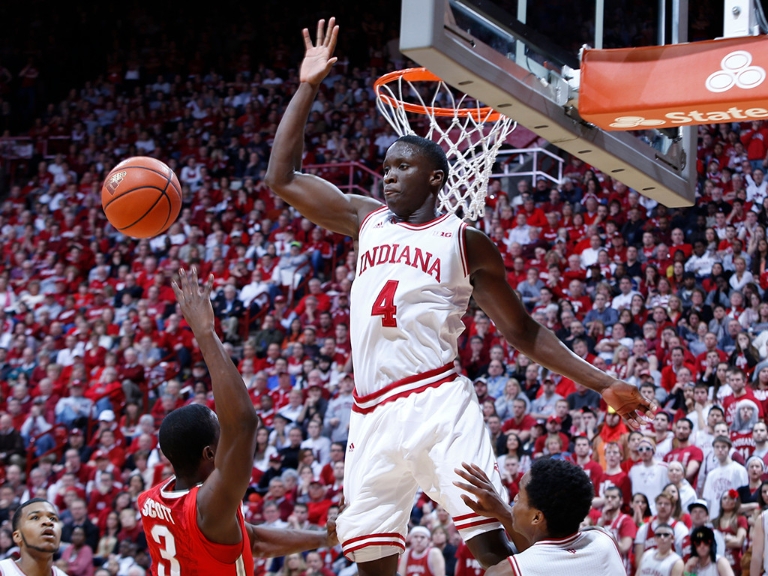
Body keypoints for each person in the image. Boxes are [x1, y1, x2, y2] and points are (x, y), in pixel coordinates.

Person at [264, 18, 654, 576]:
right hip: (370, 412)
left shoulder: (465, 243)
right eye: (386, 167)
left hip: (437, 402)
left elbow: (525, 333)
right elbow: (282, 177)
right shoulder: (365, 218)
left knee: (493, 545)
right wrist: (306, 86)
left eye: (403, 167)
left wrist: (602, 381)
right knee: (372, 559)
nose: (389, 177)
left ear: (437, 178)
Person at [137, 269, 337, 575]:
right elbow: (243, 424)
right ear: (209, 453)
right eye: (220, 431)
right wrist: (205, 333)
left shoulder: (152, 499)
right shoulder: (207, 507)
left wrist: (324, 539)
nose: (226, 433)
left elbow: (252, 541)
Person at [453, 459, 626, 575]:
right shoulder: (604, 540)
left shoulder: (507, 572)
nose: (514, 499)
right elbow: (546, 553)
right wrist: (503, 513)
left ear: (537, 518)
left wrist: (505, 513)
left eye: (520, 496)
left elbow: (535, 558)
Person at [0, 497, 67, 575]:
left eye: (53, 518)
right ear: (17, 536)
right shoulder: (3, 570)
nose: (48, 522)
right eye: (35, 517)